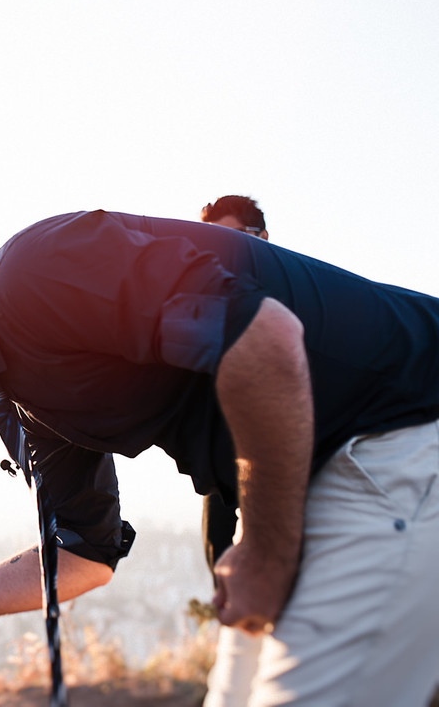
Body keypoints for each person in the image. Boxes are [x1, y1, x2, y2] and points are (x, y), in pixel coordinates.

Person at [0, 210, 439, 706]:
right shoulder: (19, 394)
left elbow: (263, 340)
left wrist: (268, 551)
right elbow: (84, 557)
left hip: (394, 436)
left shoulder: (37, 274)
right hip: (316, 484)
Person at [197, 195, 268, 706]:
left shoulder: (302, 301)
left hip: (290, 490)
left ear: (261, 239)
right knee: (238, 630)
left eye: (233, 239)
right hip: (225, 489)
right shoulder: (204, 312)